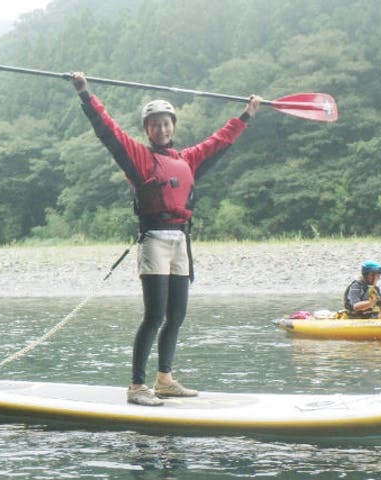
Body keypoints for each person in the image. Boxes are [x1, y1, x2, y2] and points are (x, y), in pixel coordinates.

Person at [71, 72, 261, 406]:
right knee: (154, 316)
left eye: (166, 123)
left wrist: (246, 115)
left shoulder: (186, 160)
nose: (162, 129)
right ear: (147, 129)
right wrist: (86, 94)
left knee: (177, 316)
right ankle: (136, 386)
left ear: (173, 126)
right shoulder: (139, 158)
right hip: (155, 242)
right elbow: (108, 130)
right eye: (155, 124)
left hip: (181, 243)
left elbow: (219, 141)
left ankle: (165, 380)